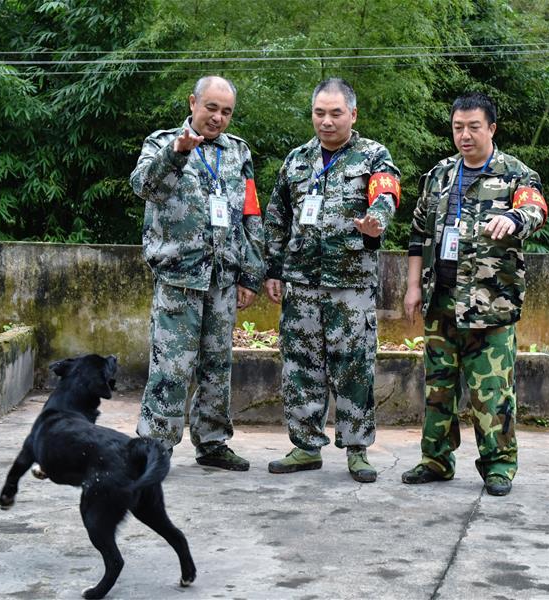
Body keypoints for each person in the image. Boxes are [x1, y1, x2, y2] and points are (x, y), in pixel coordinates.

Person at [401, 92, 547, 496]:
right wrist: (413, 287)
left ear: (492, 129)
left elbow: (535, 209)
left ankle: (499, 466)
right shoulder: (439, 176)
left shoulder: (516, 174)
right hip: (441, 301)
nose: (464, 136)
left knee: (493, 393)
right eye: (458, 127)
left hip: (491, 308)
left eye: (473, 127)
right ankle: (435, 460)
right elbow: (418, 235)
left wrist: (514, 219)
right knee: (438, 389)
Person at [263, 78, 400, 483]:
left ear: (353, 115)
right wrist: (273, 269)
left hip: (350, 285)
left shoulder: (373, 156)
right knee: (300, 366)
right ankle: (305, 446)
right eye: (319, 113)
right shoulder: (296, 160)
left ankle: (357, 450)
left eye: (336, 113)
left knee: (354, 367)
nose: (326, 121)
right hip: (302, 285)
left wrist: (377, 221)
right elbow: (276, 217)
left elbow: (386, 193)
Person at [130, 75, 264, 471]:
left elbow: (250, 214)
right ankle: (156, 447)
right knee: (171, 366)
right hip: (178, 277)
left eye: (226, 112)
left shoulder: (238, 152)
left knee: (217, 365)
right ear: (193, 103)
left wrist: (250, 274)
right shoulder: (161, 143)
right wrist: (177, 153)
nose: (218, 118)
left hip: (223, 278)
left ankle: (212, 442)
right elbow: (144, 187)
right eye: (211, 108)